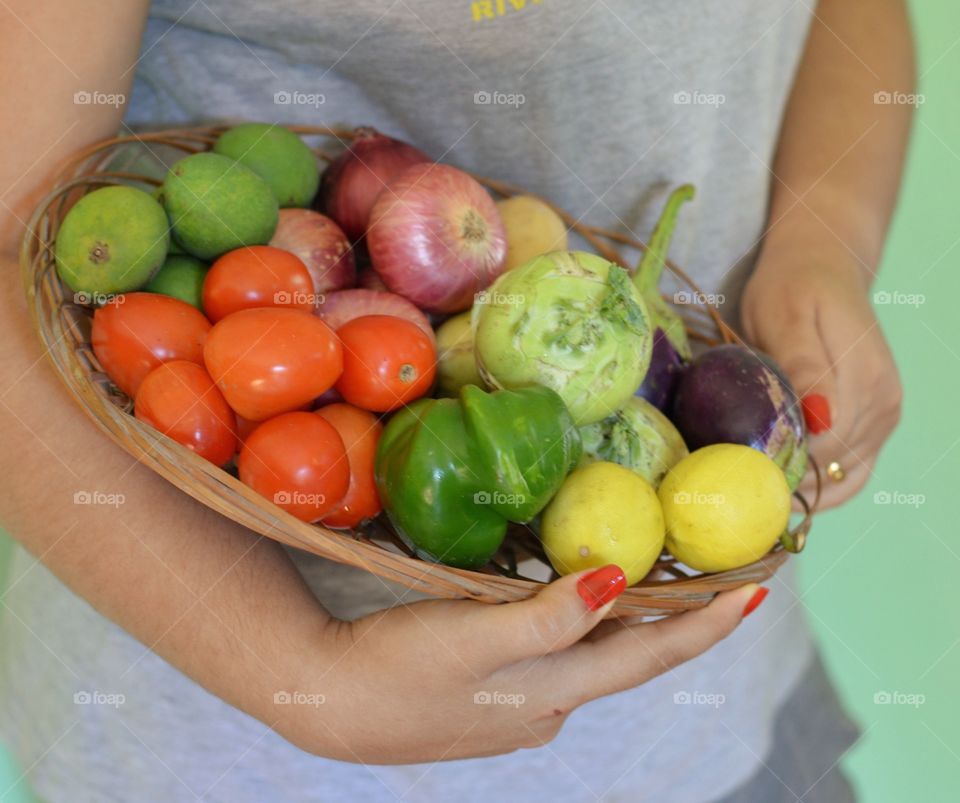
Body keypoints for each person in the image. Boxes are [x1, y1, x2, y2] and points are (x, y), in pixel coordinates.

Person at [0, 1, 911, 801]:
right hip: (261, 755)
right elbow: (13, 257)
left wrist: (822, 242)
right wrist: (300, 673)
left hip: (717, 720)